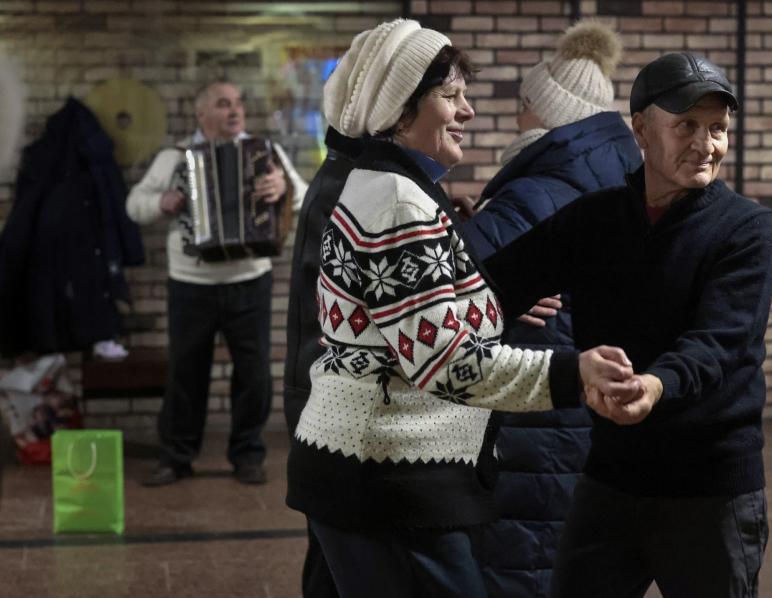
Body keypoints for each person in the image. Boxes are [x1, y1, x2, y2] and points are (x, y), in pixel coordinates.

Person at [285, 18, 641, 598]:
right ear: (402, 106)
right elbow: (448, 364)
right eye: (450, 95)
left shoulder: (385, 185)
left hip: (379, 469)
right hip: (388, 478)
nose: (468, 111)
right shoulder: (399, 204)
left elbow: (422, 325)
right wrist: (572, 372)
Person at [483, 52, 772, 598]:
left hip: (709, 489)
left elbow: (718, 342)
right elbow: (496, 281)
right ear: (641, 129)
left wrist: (654, 385)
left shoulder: (747, 229)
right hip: (612, 476)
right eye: (686, 125)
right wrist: (483, 299)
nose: (705, 144)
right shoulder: (595, 218)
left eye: (718, 129)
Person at [458, 21, 642, 597]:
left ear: (549, 115)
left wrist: (455, 232)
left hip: (529, 406)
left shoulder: (535, 192)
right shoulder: (623, 182)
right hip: (583, 397)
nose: (515, 120)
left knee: (523, 553)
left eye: (522, 107)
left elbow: (449, 292)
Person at [127, 80, 308, 486]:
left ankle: (247, 455)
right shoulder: (175, 158)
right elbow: (134, 204)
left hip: (249, 279)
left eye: (239, 103)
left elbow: (305, 196)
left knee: (254, 374)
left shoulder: (266, 153)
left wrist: (283, 188)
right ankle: (176, 456)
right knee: (186, 373)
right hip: (190, 283)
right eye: (224, 104)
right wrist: (160, 203)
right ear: (202, 113)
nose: (235, 111)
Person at [283, 123, 363, 597]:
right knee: (336, 555)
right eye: (450, 95)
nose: (467, 110)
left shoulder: (348, 175)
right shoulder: (349, 184)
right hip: (337, 401)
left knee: (334, 555)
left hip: (333, 398)